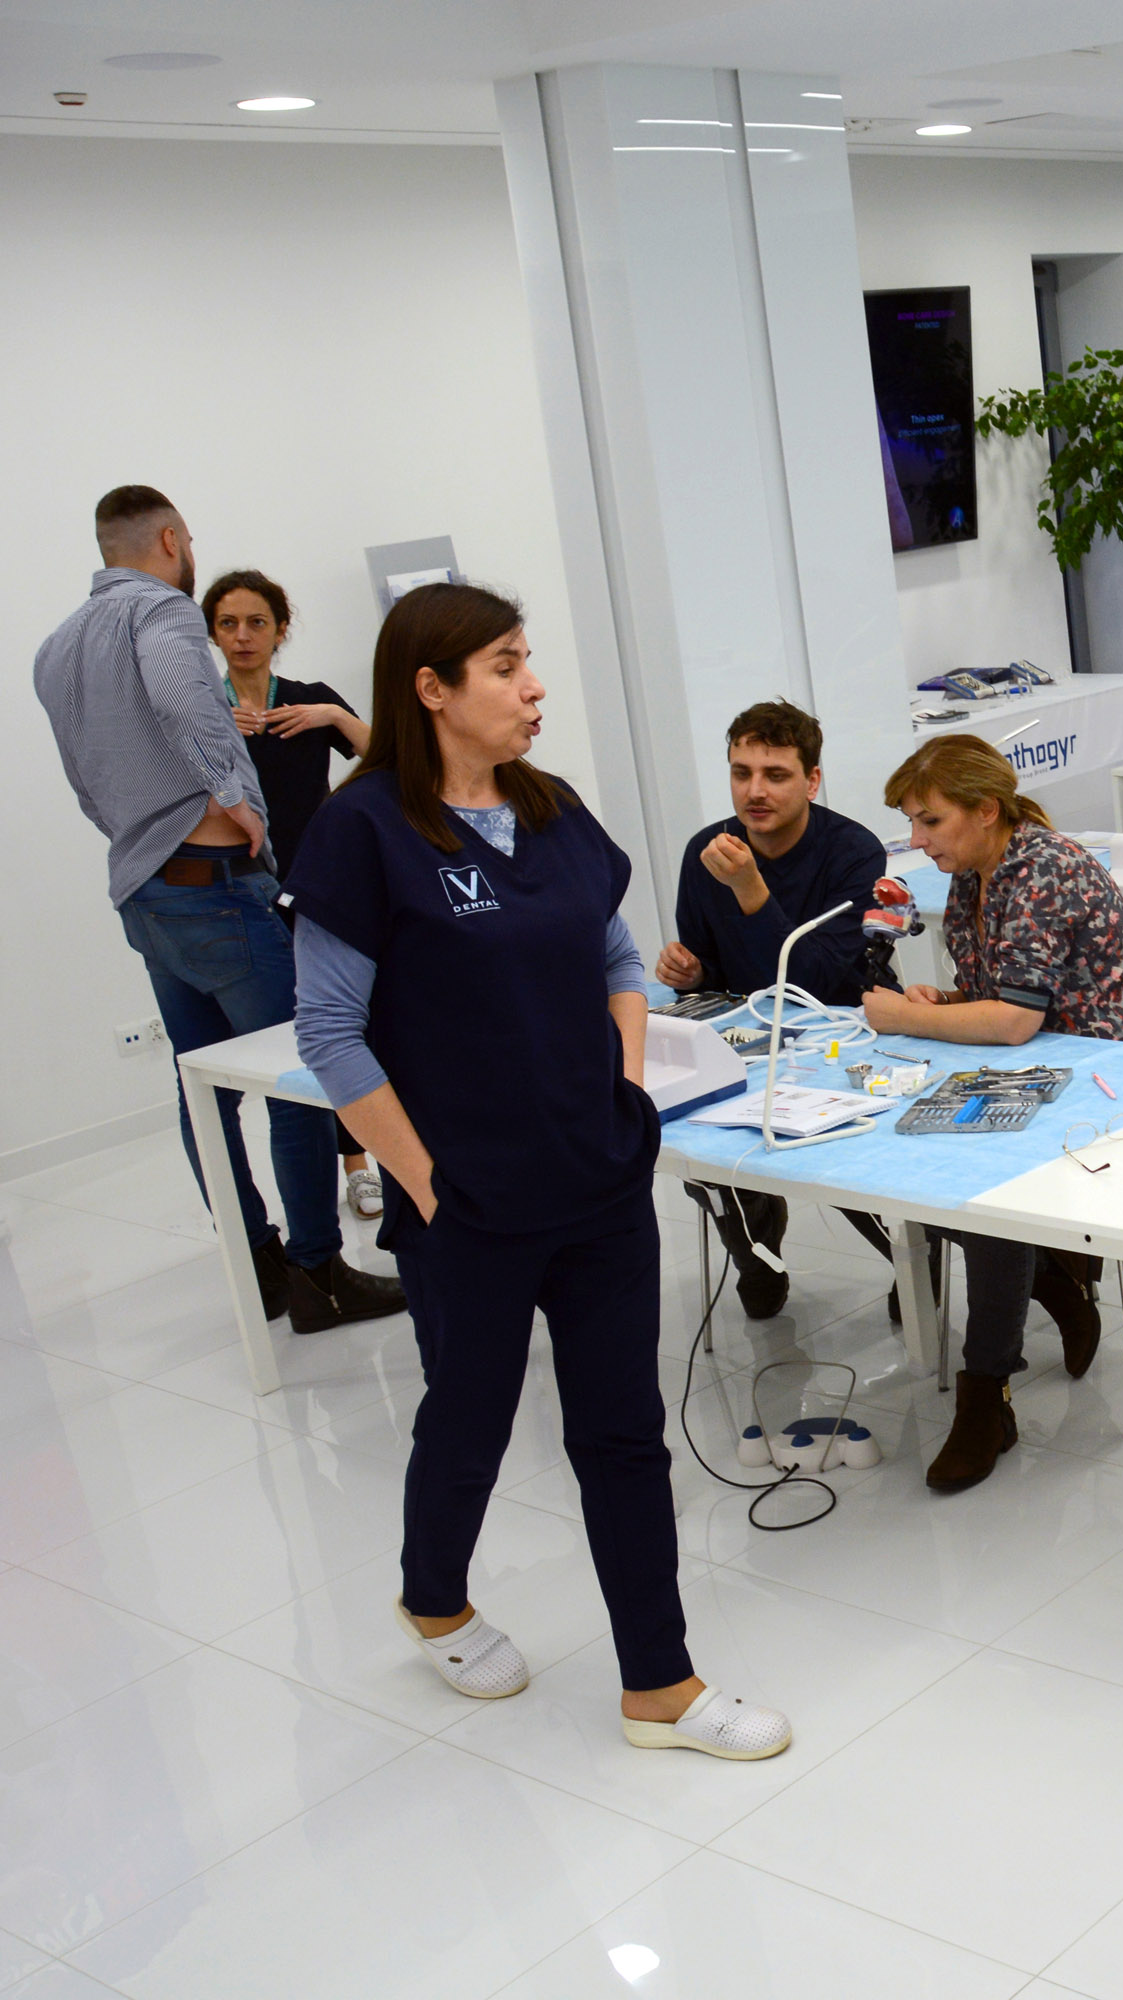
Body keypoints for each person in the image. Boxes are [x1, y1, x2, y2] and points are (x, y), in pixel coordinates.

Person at [287, 582, 789, 1759]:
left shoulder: (549, 807)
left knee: (623, 1431)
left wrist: (622, 1087)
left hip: (597, 1175)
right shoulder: (363, 831)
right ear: (431, 688)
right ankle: (433, 1596)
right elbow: (329, 1031)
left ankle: (659, 1682)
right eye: (507, 665)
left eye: (529, 660)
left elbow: (617, 956)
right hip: (467, 1199)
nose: (534, 685)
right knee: (470, 1416)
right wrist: (423, 1183)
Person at [33, 487, 399, 1336]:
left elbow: (83, 777)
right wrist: (237, 796)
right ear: (169, 539)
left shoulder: (58, 646)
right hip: (216, 887)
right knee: (296, 1079)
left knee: (202, 1087)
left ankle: (257, 1263)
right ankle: (318, 1275)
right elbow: (179, 695)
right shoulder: (160, 612)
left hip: (146, 891)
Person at [865, 735, 1123, 1493]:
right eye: (912, 822)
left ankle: (985, 1393)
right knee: (892, 1161)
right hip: (1048, 1066)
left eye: (930, 820)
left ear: (985, 810)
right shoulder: (975, 875)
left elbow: (1013, 1020)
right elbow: (1001, 995)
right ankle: (1050, 1279)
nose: (917, 840)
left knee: (985, 1193)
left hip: (1121, 1076)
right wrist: (944, 1000)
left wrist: (909, 1017)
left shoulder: (1044, 869)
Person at [655, 700, 897, 1320]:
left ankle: (910, 1264)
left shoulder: (853, 851)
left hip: (845, 1029)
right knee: (705, 1148)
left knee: (836, 1154)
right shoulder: (707, 849)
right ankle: (756, 1254)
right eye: (741, 773)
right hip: (748, 1037)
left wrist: (752, 891)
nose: (754, 791)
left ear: (812, 781)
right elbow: (710, 978)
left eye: (776, 775)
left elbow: (819, 982)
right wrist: (692, 973)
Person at [204, 568, 387, 1220]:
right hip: (242, 892)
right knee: (296, 1038)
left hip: (321, 885)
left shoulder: (309, 703)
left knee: (347, 1022)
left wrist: (331, 715)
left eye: (257, 622)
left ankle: (360, 1163)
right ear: (212, 633)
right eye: (228, 623)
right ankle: (321, 1188)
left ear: (280, 629)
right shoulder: (203, 712)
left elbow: (388, 757)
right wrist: (213, 730)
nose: (243, 635)